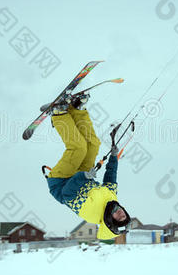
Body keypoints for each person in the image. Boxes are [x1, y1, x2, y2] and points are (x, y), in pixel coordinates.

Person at [45, 94, 131, 239]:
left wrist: (84, 176)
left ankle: (58, 113)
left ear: (110, 221)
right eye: (124, 215)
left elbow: (67, 193)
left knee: (78, 148)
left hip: (62, 181)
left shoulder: (91, 213)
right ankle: (77, 109)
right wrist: (114, 157)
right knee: (93, 146)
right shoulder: (112, 199)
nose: (121, 213)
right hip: (82, 176)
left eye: (119, 217)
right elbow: (111, 177)